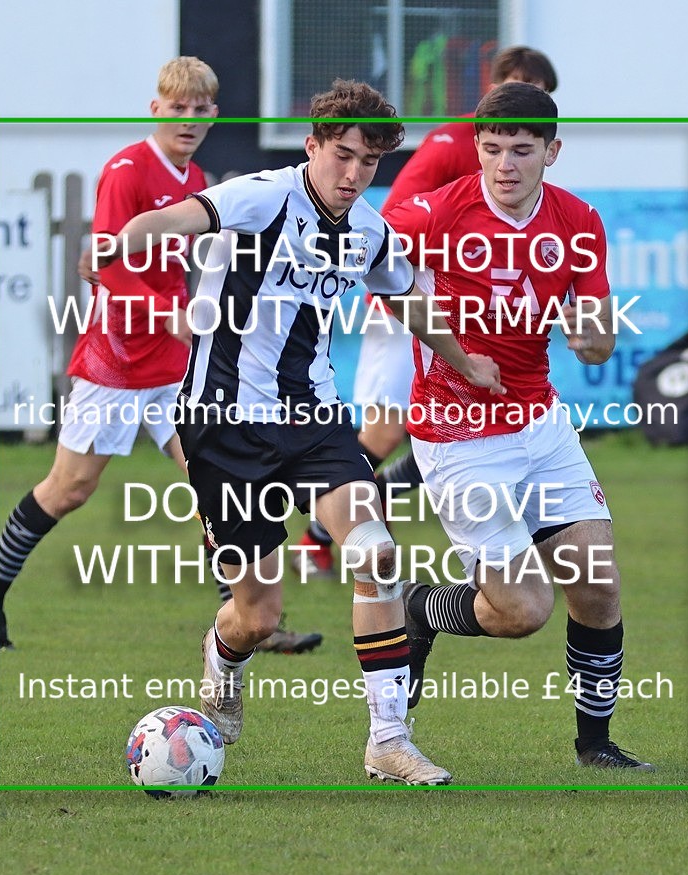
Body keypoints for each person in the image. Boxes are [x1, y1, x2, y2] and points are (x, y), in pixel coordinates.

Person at [95, 79, 502, 784]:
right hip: (222, 429)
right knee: (257, 616)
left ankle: (387, 739)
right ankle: (223, 658)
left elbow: (409, 298)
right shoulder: (262, 195)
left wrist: (465, 358)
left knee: (375, 553)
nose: (352, 175)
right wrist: (126, 241)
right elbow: (178, 218)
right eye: (341, 155)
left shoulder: (369, 229)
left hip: (314, 420)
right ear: (312, 145)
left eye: (368, 163)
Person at [0, 56, 321, 654]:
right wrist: (170, 317)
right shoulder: (127, 170)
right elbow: (104, 270)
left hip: (174, 367)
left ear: (214, 116)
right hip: (118, 361)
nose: (189, 119)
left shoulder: (196, 177)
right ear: (156, 109)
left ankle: (250, 616)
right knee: (69, 488)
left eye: (201, 110)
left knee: (218, 482)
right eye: (178, 108)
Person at [384, 81, 655, 771]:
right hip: (457, 437)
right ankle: (419, 609)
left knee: (598, 582)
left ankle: (594, 746)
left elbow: (596, 331)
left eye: (522, 150)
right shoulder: (435, 215)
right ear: (477, 148)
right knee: (521, 610)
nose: (505, 164)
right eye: (493, 148)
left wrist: (593, 338)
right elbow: (375, 275)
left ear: (552, 152)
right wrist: (451, 349)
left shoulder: (578, 221)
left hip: (540, 425)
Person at [295, 46, 558, 578]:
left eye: (535, 89)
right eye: (510, 83)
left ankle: (364, 508)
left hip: (477, 322)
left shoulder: (527, 167)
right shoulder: (451, 142)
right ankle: (317, 535)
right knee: (388, 430)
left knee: (475, 421)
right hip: (412, 309)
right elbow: (389, 224)